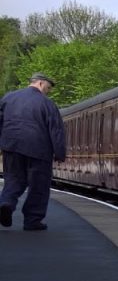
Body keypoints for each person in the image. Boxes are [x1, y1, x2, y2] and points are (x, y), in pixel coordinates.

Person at [0, 73, 66, 231]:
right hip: (39, 149)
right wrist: (60, 153)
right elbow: (56, 130)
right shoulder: (47, 103)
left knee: (13, 180)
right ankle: (33, 220)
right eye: (48, 88)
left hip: (12, 146)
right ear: (41, 83)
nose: (48, 92)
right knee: (39, 185)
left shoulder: (8, 98)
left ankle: (6, 203)